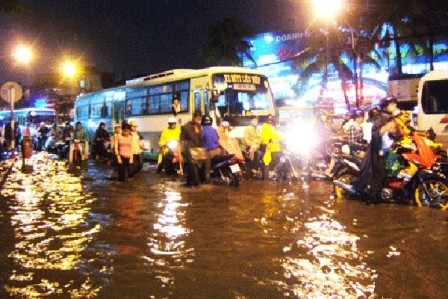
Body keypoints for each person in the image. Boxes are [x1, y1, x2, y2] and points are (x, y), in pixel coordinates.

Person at [354, 97, 402, 204]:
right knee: (379, 174)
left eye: (394, 104)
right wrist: (384, 129)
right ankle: (371, 198)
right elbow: (375, 134)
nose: (394, 106)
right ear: (385, 106)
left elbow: (398, 134)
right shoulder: (381, 119)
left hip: (389, 151)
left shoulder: (392, 119)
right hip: (378, 151)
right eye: (391, 104)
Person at [180, 110, 207, 187]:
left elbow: (201, 139)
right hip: (189, 150)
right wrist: (182, 151)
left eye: (200, 118)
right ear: (194, 117)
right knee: (193, 167)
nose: (199, 120)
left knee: (198, 167)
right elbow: (182, 140)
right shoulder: (186, 127)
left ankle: (190, 183)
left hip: (198, 150)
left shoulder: (199, 127)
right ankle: (196, 184)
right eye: (197, 118)